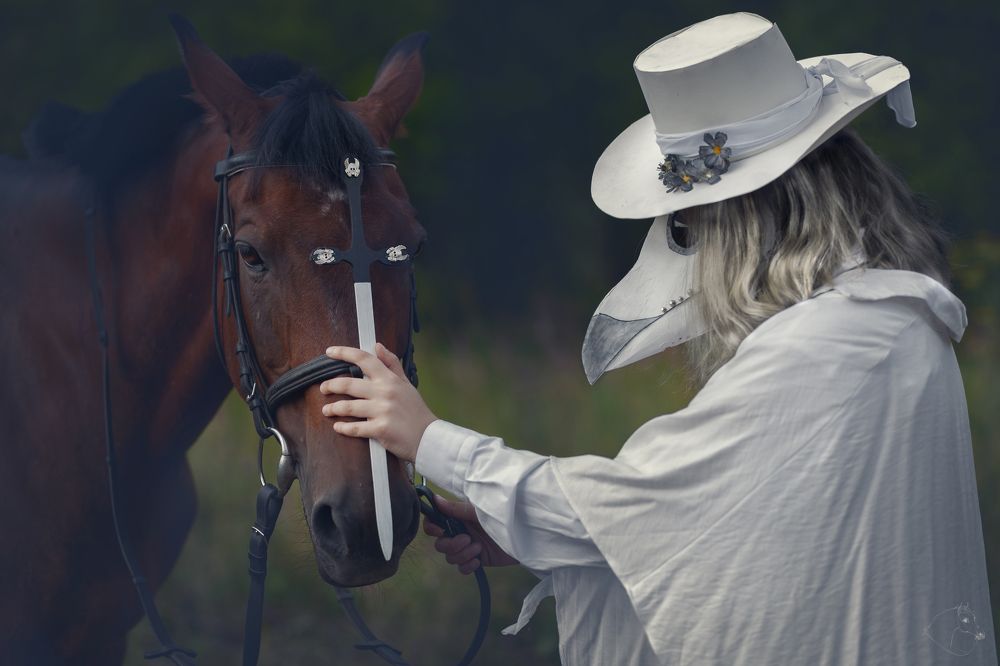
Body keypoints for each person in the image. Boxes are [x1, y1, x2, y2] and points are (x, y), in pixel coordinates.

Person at [322, 12, 997, 665]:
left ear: (741, 218)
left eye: (694, 222)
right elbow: (746, 533)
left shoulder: (828, 345)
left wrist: (432, 439)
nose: (695, 245)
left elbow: (645, 503)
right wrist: (531, 539)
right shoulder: (887, 322)